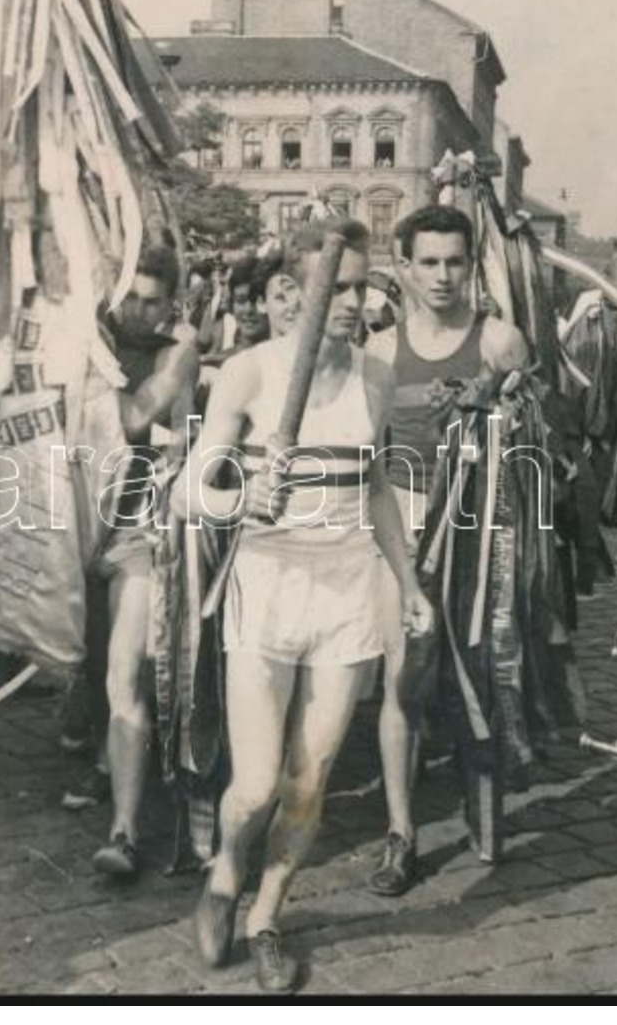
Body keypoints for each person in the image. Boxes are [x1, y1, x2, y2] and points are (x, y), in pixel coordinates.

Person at [179, 219, 434, 992]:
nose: (358, 301)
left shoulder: (375, 376)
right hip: (266, 586)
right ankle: (225, 869)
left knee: (308, 779)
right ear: (292, 291)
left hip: (346, 593)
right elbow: (192, 485)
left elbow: (378, 486)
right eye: (344, 284)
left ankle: (264, 914)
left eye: (366, 285)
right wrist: (238, 495)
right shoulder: (250, 374)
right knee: (253, 785)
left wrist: (410, 580)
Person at [362, 204, 481, 896]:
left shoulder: (499, 343)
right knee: (404, 673)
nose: (441, 275)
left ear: (470, 264)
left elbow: (530, 451)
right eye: (428, 262)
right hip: (405, 519)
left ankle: (480, 800)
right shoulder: (380, 352)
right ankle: (400, 831)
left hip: (478, 519)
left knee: (477, 670)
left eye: (454, 261)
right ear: (405, 266)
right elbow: (370, 461)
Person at [85, 242, 200, 876]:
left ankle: (123, 831)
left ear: (170, 305)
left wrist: (176, 362)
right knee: (87, 664)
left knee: (124, 673)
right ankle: (100, 758)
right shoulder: (80, 341)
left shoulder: (172, 355)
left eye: (153, 301)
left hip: (135, 530)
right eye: (130, 295)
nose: (139, 311)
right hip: (71, 524)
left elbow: (140, 424)